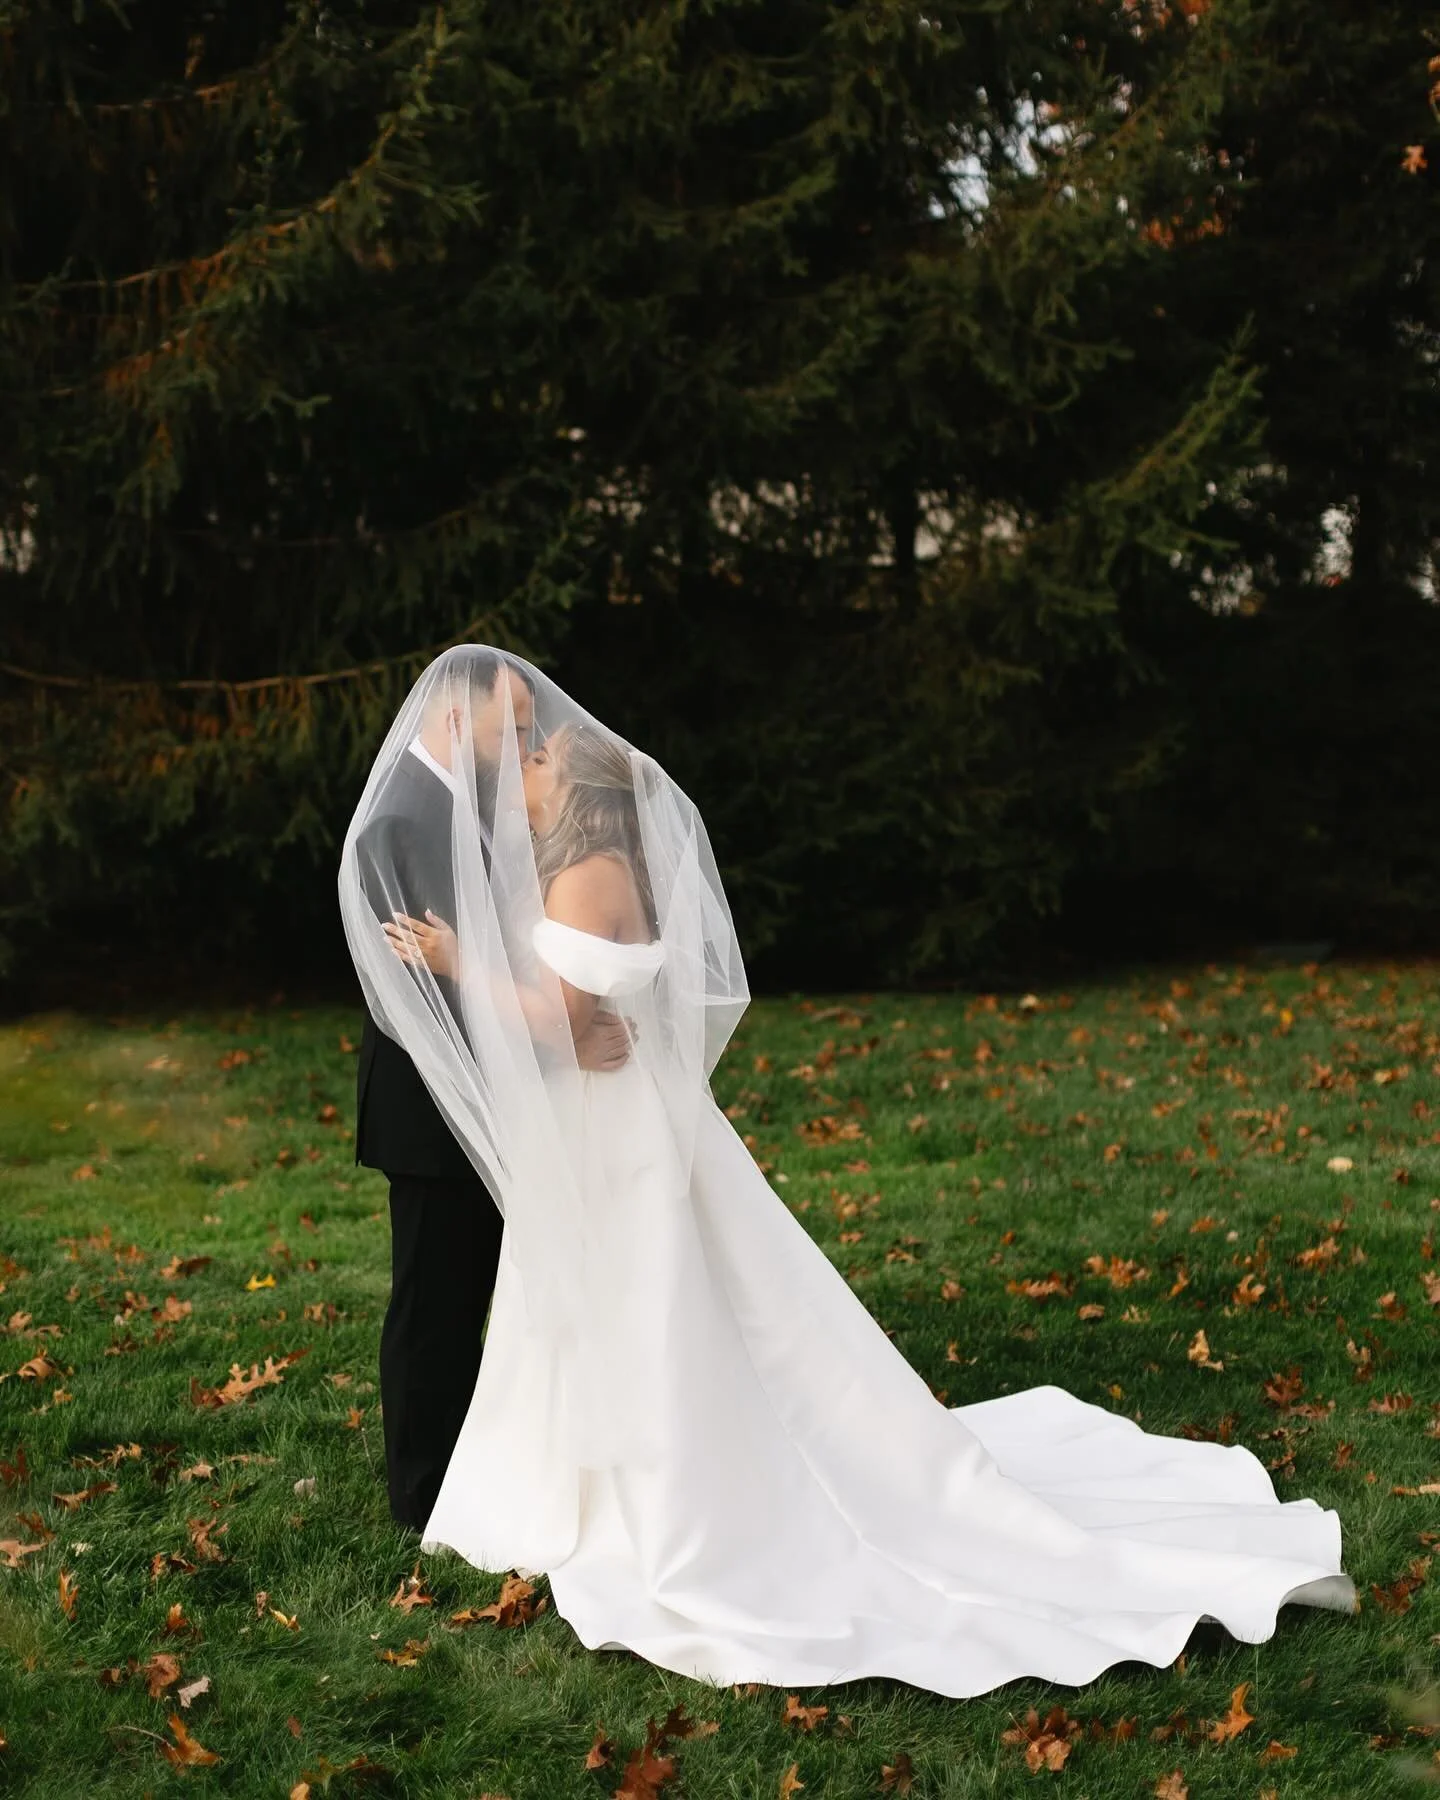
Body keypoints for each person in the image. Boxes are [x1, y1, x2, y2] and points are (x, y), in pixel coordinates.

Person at [338, 644, 1357, 1701]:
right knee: (565, 1300)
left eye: (540, 751)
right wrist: (568, 1017)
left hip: (606, 1123)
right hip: (565, 1115)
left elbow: (562, 1004)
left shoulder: (585, 871)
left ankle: (659, 1485)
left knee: (636, 1301)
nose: (528, 758)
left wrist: (505, 987)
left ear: (581, 797)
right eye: (521, 737)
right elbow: (548, 993)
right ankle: (544, 1476)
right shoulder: (497, 841)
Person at [346, 649, 635, 1532]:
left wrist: (570, 1014)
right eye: (507, 728)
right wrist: (560, 1033)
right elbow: (421, 995)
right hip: (434, 1106)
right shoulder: (399, 820)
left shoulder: (466, 798)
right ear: (450, 718)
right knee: (433, 1304)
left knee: (486, 1296)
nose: (520, 743)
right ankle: (421, 1497)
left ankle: (489, 1466)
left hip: (498, 1092)